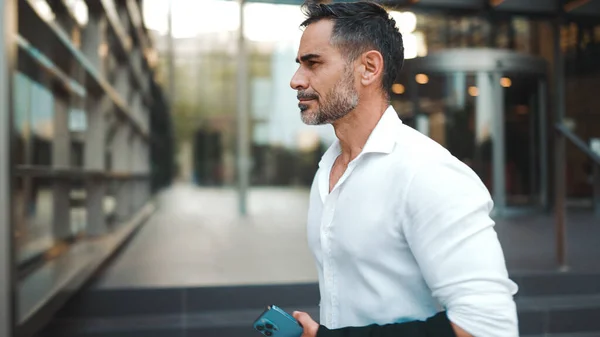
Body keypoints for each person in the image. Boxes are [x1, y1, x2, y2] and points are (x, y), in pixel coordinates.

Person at [288, 2, 519, 337]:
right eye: (299, 65)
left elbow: (488, 325)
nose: (296, 80)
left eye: (313, 63)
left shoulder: (428, 173)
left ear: (368, 68)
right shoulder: (327, 168)